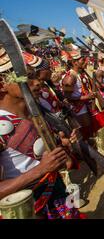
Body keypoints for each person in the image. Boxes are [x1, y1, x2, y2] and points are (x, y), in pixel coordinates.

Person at [0, 48, 81, 219]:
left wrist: (63, 147)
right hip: (28, 209)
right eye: (28, 77)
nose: (37, 82)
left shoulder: (36, 114)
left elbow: (52, 161)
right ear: (2, 85)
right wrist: (41, 169)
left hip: (58, 194)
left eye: (35, 76)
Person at [61, 51, 96, 140]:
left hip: (87, 106)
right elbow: (67, 96)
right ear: (74, 62)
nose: (85, 62)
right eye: (83, 60)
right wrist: (85, 97)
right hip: (79, 109)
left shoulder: (81, 73)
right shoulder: (70, 77)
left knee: (93, 130)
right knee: (87, 133)